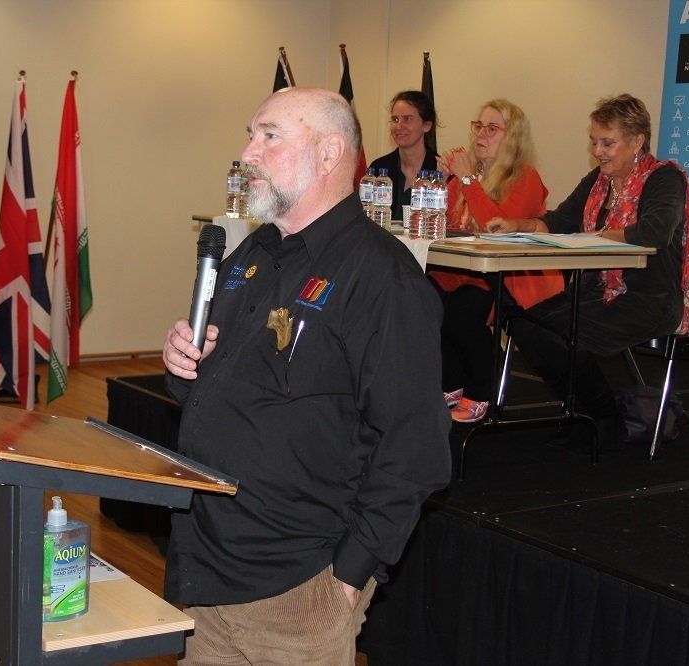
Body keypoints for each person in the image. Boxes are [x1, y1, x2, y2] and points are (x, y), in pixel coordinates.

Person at [162, 87, 452, 664]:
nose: (249, 152)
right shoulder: (253, 253)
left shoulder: (381, 278)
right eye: (251, 134)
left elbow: (415, 447)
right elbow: (206, 392)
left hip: (297, 588)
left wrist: (347, 579)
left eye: (269, 136)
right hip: (207, 567)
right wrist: (181, 364)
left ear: (329, 153)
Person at [485, 93, 689, 443]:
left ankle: (605, 423)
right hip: (599, 291)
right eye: (594, 142)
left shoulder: (664, 178)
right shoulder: (598, 182)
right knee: (523, 323)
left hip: (648, 298)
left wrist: (599, 236)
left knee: (559, 335)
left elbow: (653, 233)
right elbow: (560, 220)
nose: (598, 151)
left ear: (637, 141)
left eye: (608, 143)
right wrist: (516, 224)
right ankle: (586, 410)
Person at [430, 99, 564, 423]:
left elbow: (497, 230)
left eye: (492, 128)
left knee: (461, 311)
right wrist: (439, 184)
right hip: (463, 271)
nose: (481, 134)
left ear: (512, 137)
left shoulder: (525, 177)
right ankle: (451, 382)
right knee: (422, 298)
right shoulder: (466, 176)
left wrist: (466, 182)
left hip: (508, 278)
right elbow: (441, 223)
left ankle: (480, 391)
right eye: (478, 126)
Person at [368, 90, 438, 220]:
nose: (399, 126)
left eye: (407, 119)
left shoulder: (440, 170)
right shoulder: (379, 168)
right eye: (395, 119)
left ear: (426, 125)